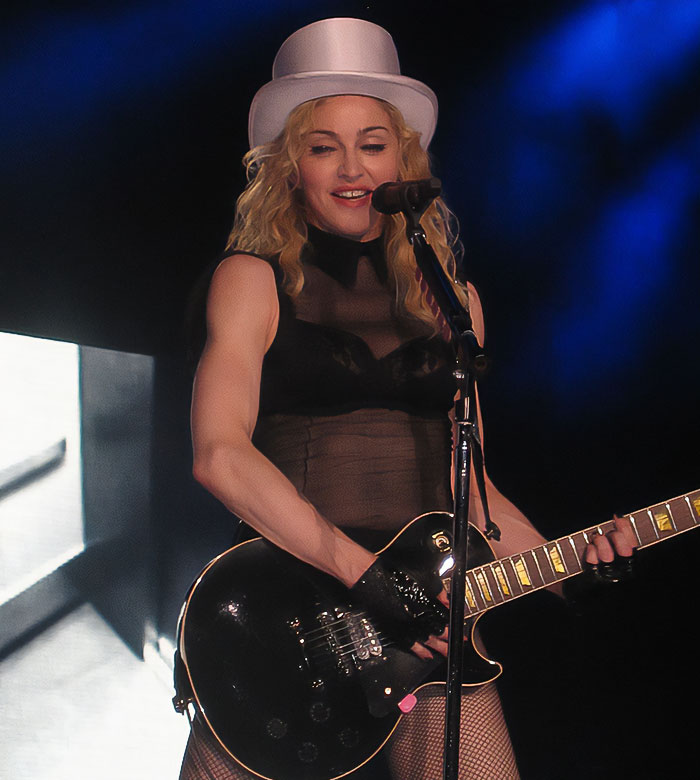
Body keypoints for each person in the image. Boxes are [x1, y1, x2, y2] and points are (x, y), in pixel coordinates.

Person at [178, 17, 636, 780]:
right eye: (324, 146)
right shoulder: (250, 278)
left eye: (373, 143)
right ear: (292, 166)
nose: (352, 166)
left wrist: (573, 568)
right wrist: (369, 580)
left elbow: (477, 495)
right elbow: (219, 455)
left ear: (403, 159)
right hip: (285, 618)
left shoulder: (453, 301)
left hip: (429, 626)